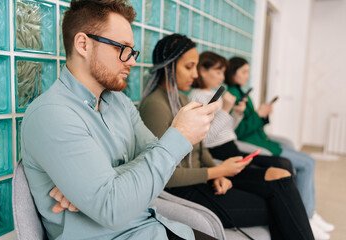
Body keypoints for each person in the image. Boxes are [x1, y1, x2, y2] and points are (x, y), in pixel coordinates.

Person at [20, 1, 220, 239]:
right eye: (122, 48)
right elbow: (112, 209)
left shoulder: (120, 103)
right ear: (83, 44)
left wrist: (101, 183)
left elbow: (156, 156)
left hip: (151, 225)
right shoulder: (51, 115)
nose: (132, 61)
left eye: (132, 50)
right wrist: (180, 135)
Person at [139, 33, 315, 240]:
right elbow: (166, 176)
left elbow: (200, 147)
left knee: (280, 175)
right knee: (279, 202)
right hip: (186, 191)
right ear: (168, 67)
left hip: (205, 179)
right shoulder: (155, 106)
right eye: (189, 67)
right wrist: (216, 172)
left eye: (196, 67)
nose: (195, 74)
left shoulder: (182, 98)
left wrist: (219, 174)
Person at [225, 56, 334, 240]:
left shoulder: (241, 92)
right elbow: (237, 131)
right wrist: (259, 114)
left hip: (265, 141)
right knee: (307, 163)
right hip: (256, 144)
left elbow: (251, 122)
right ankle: (307, 217)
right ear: (232, 72)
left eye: (248, 71)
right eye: (243, 72)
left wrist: (263, 114)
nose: (247, 75)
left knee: (307, 162)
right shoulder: (231, 96)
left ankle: (311, 213)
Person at [189, 51, 293, 173]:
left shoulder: (214, 94)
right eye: (218, 72)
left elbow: (229, 128)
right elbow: (206, 139)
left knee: (284, 165)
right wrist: (226, 110)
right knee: (280, 168)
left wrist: (237, 114)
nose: (222, 77)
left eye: (223, 73)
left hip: (231, 146)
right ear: (202, 71)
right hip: (219, 151)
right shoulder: (196, 97)